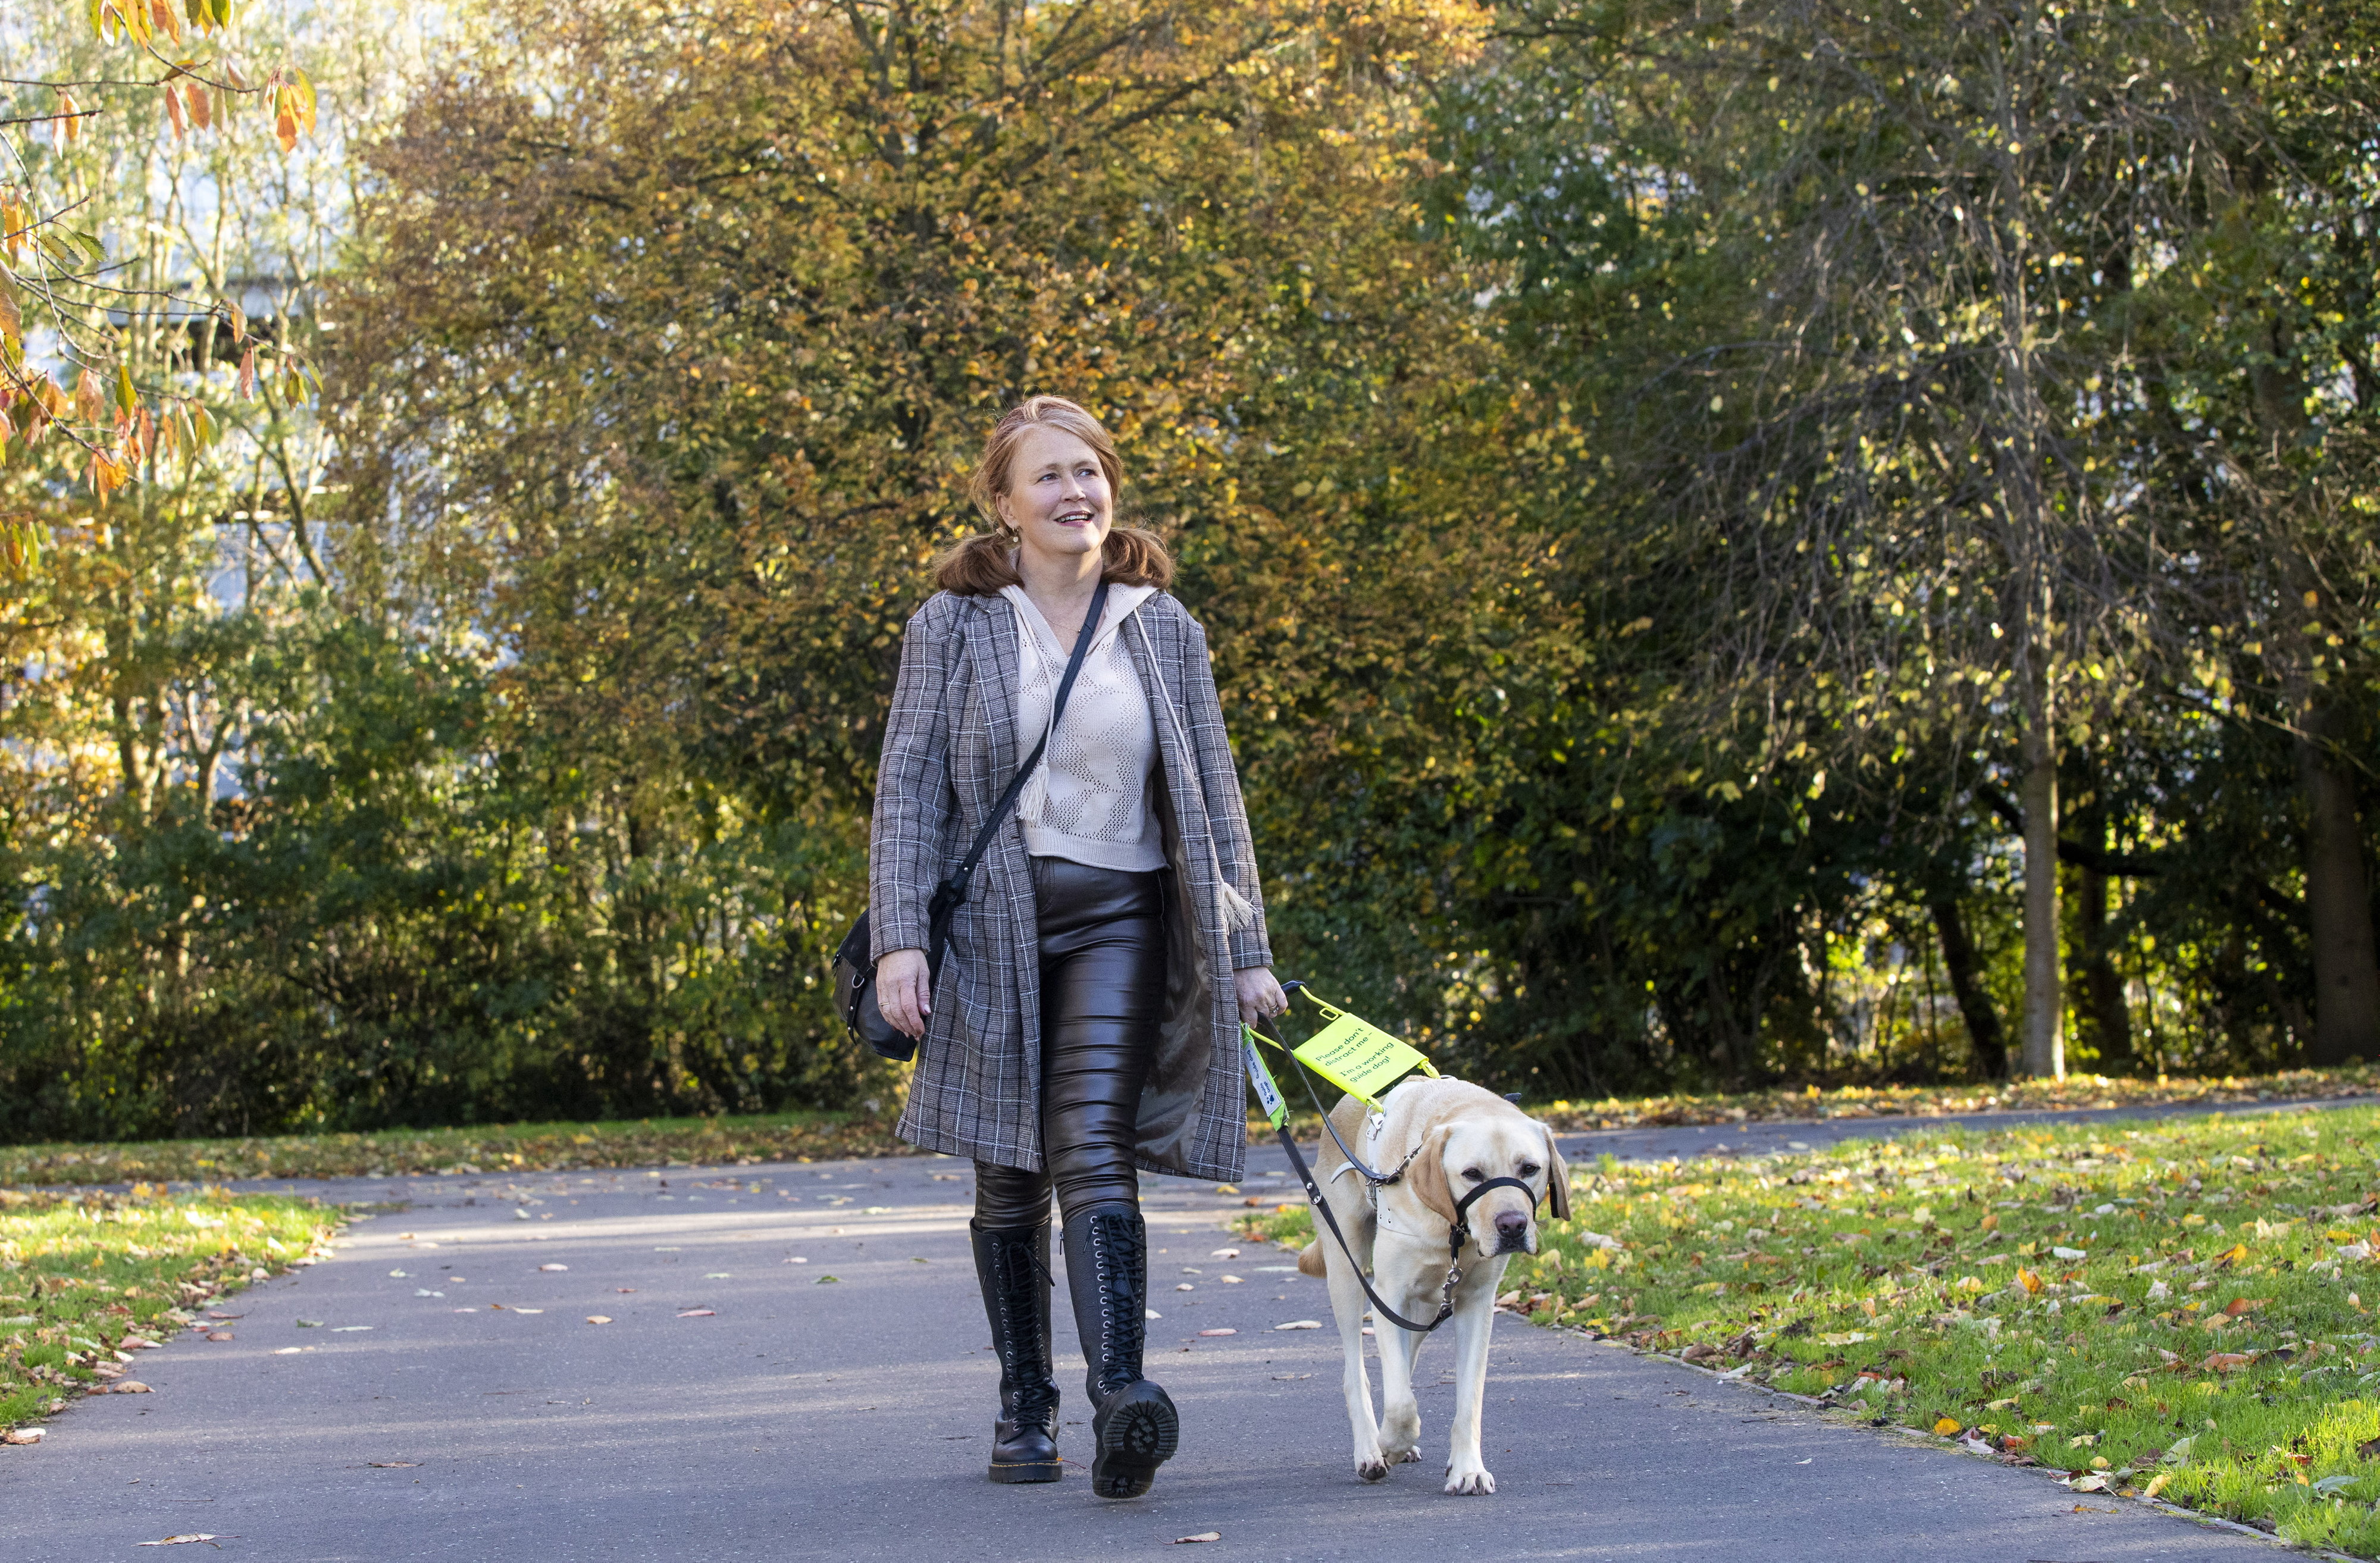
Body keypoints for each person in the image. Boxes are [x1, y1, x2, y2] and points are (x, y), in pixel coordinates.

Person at [869, 395, 1287, 1499]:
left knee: (1092, 1145)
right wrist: (898, 941)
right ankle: (1025, 1404)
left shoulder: (1163, 625)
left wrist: (1246, 947)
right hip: (992, 923)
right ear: (1003, 504)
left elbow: (1213, 794)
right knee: (1009, 1171)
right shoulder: (950, 625)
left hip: (1121, 913)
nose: (1075, 494)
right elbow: (907, 791)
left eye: (1091, 472)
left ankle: (1123, 1397)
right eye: (1048, 476)